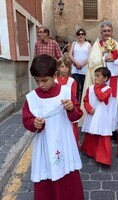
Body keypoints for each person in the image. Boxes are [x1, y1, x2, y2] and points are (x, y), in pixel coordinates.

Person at [22, 54, 84, 200]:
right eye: (37, 81)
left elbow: (77, 115)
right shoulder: (32, 98)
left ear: (54, 75)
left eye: (44, 80)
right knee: (46, 179)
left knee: (68, 178)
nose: (41, 85)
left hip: (64, 142)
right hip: (44, 145)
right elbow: (27, 119)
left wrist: (71, 109)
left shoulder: (66, 92)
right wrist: (34, 123)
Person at [82, 20, 118, 141]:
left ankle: (112, 129)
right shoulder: (97, 45)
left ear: (111, 32)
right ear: (100, 32)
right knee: (102, 105)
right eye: (104, 31)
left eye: (109, 31)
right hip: (102, 82)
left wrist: (116, 60)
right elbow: (92, 62)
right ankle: (100, 128)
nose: (107, 33)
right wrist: (104, 58)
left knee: (114, 106)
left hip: (114, 81)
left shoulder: (116, 45)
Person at [81, 67, 112, 166]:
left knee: (102, 134)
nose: (95, 78)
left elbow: (101, 97)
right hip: (92, 114)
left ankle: (103, 158)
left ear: (105, 78)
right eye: (95, 75)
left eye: (98, 76)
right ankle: (91, 152)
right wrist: (89, 108)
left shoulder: (108, 89)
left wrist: (97, 87)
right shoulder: (90, 88)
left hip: (102, 116)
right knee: (91, 133)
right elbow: (85, 100)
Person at [55, 56, 79, 146]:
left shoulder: (72, 81)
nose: (64, 69)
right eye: (62, 67)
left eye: (66, 67)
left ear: (69, 68)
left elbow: (73, 95)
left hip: (69, 107)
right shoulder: (55, 81)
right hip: (58, 109)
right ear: (58, 68)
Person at [69, 28, 92, 102]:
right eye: (79, 34)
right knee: (76, 86)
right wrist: (76, 63)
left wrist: (82, 64)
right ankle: (75, 102)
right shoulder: (74, 43)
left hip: (84, 69)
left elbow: (90, 56)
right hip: (75, 69)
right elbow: (70, 54)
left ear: (85, 35)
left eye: (82, 34)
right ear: (77, 36)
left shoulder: (88, 44)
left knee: (83, 87)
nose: (80, 36)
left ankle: (82, 103)